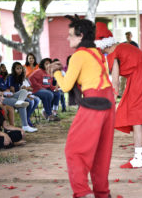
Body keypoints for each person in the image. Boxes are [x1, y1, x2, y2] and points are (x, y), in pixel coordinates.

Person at [49, 16, 115, 198]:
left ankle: (82, 193)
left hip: (94, 102)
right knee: (101, 152)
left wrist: (55, 71)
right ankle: (102, 193)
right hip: (108, 102)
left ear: (81, 36)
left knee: (74, 150)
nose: (68, 39)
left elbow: (66, 86)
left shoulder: (79, 55)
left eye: (71, 35)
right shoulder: (97, 53)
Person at [95, 22, 142, 169]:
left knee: (136, 118)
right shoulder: (123, 46)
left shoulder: (112, 53)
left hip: (140, 81)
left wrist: (110, 97)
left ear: (102, 44)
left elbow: (115, 80)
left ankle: (138, 158)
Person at [0, 64, 37, 132]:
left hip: (8, 95)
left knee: (24, 91)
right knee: (22, 104)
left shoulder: (1, 79)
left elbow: (6, 88)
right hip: (1, 99)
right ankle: (25, 126)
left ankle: (19, 101)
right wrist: (4, 92)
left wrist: (7, 91)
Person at [7, 62, 40, 128]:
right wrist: (24, 92)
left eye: (20, 68)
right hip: (14, 96)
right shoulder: (11, 77)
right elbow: (13, 91)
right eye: (17, 68)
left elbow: (27, 88)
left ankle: (27, 118)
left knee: (36, 100)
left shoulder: (20, 77)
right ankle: (26, 121)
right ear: (14, 69)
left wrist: (26, 93)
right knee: (30, 101)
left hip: (22, 94)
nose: (19, 70)